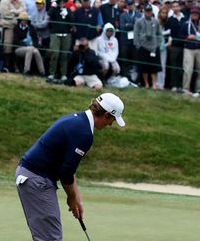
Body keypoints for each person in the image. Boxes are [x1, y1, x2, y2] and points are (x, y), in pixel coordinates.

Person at [16, 92, 125, 241]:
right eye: (112, 119)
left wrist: (77, 198)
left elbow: (68, 166)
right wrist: (72, 198)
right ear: (106, 114)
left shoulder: (78, 121)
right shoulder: (84, 133)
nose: (111, 124)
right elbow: (66, 173)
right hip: (36, 179)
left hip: (34, 177)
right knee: (50, 238)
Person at [0, 0, 26, 72]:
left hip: (18, 28)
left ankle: (16, 66)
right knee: (7, 46)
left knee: (17, 47)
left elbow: (24, 11)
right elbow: (6, 15)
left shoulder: (21, 1)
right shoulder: (4, 1)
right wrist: (18, 14)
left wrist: (14, 11)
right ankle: (6, 65)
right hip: (8, 26)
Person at [180, 7, 200, 97]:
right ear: (190, 14)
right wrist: (187, 37)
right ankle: (185, 88)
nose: (194, 15)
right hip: (189, 49)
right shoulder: (185, 24)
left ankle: (199, 89)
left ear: (199, 14)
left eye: (196, 13)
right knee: (188, 69)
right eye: (193, 13)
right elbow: (180, 35)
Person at [47, 0, 74, 83]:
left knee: (64, 55)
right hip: (55, 34)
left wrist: (68, 14)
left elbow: (72, 20)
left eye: (63, 1)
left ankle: (63, 74)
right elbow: (49, 15)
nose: (62, 3)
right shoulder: (54, 10)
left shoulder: (68, 10)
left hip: (66, 34)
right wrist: (53, 6)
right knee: (55, 53)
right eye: (60, 1)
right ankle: (52, 73)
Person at [134, 4, 162, 89]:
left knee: (155, 67)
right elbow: (136, 34)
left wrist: (158, 44)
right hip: (143, 46)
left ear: (152, 11)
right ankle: (146, 83)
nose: (148, 12)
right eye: (147, 11)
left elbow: (159, 34)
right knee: (144, 67)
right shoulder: (139, 21)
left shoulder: (156, 21)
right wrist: (137, 45)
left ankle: (154, 84)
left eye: (150, 11)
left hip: (154, 47)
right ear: (144, 11)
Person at [14, 12, 46, 76]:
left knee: (36, 51)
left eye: (25, 19)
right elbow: (16, 41)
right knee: (30, 49)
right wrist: (26, 44)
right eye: (22, 19)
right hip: (19, 48)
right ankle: (26, 70)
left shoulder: (31, 28)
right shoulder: (16, 28)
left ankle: (42, 72)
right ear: (20, 20)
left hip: (31, 47)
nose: (24, 21)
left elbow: (35, 39)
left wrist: (34, 45)